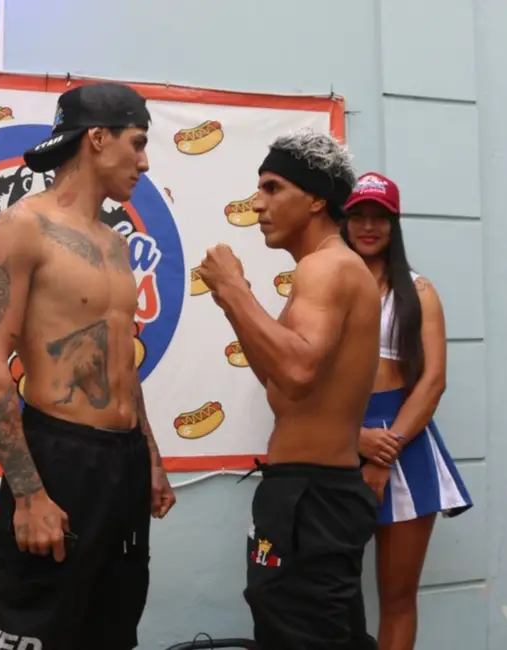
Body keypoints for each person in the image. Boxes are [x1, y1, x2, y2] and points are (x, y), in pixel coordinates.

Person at [0, 82, 176, 650]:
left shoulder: (114, 243)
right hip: (58, 458)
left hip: (122, 462)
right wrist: (28, 493)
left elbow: (119, 360)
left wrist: (151, 456)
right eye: (137, 143)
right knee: (32, 632)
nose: (144, 162)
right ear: (99, 139)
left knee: (111, 632)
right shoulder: (21, 227)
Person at [197, 128, 381, 649]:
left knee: (297, 634)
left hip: (311, 495)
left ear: (317, 198)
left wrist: (235, 290)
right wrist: (234, 304)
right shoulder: (325, 268)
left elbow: (296, 373)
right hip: (315, 492)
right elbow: (283, 386)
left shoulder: (326, 268)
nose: (258, 203)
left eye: (273, 188)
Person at [342, 172, 473, 650]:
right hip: (338, 437)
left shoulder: (419, 291)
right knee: (328, 594)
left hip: (406, 441)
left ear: (394, 225)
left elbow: (433, 380)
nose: (368, 226)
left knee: (397, 598)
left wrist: (385, 452)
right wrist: (352, 437)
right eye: (359, 216)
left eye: (379, 217)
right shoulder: (323, 282)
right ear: (344, 221)